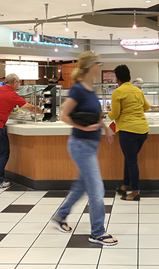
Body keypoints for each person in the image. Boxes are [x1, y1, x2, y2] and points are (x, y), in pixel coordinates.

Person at [51, 51, 117, 246]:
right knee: (97, 189)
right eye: (99, 62)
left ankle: (60, 216)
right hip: (80, 145)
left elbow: (95, 114)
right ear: (90, 66)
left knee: (81, 185)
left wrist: (105, 128)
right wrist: (84, 127)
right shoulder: (78, 89)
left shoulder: (90, 88)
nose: (101, 65)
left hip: (90, 144)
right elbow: (64, 115)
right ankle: (98, 232)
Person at [0, 73, 35, 189]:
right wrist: (43, 112)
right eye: (18, 83)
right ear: (14, 82)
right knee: (3, 153)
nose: (18, 85)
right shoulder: (12, 94)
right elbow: (28, 107)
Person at [108, 65, 150, 201]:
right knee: (129, 158)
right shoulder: (137, 90)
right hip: (143, 130)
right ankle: (124, 186)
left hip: (128, 131)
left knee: (131, 161)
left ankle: (135, 192)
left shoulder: (118, 92)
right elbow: (147, 107)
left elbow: (114, 114)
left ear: (117, 78)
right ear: (130, 78)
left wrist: (107, 114)